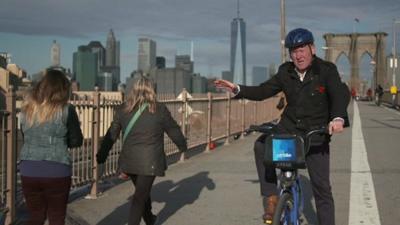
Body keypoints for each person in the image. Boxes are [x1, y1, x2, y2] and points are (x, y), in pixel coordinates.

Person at [215, 28, 350, 225]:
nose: (298, 55)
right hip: (289, 129)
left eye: (302, 49)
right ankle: (271, 197)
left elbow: (339, 94)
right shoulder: (285, 71)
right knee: (261, 145)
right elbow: (263, 91)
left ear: (312, 48)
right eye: (294, 51)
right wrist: (237, 89)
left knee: (322, 189)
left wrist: (337, 118)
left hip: (315, 134)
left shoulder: (326, 70)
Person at [96, 76, 187, 225]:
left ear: (133, 90)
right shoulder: (160, 109)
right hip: (150, 162)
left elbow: (111, 134)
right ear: (152, 90)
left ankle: (150, 219)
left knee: (142, 192)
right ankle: (146, 220)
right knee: (139, 197)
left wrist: (102, 155)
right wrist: (183, 147)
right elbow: (173, 130)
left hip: (129, 161)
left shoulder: (122, 109)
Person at [19, 69, 83, 225]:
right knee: (56, 217)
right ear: (63, 89)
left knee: (35, 217)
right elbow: (76, 141)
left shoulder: (26, 109)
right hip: (57, 170)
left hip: (28, 169)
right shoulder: (67, 110)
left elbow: (25, 135)